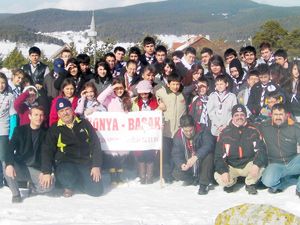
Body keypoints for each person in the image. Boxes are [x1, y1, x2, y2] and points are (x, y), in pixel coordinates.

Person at [40, 98, 104, 197]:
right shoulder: (54, 128)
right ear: (58, 114)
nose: (65, 113)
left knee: (97, 191)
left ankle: (79, 183)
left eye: (67, 109)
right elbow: (47, 150)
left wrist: (96, 165)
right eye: (61, 111)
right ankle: (68, 185)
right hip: (66, 163)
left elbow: (95, 144)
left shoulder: (84, 123)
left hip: (84, 162)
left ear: (72, 109)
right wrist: (46, 171)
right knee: (67, 174)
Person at [5, 106, 54, 203]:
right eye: (36, 115)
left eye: (41, 115)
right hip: (21, 167)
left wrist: (46, 172)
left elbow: (47, 154)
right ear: (30, 116)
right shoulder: (19, 130)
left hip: (36, 169)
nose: (39, 118)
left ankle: (33, 187)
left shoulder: (46, 133)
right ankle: (16, 194)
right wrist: (9, 164)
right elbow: (9, 149)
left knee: (50, 186)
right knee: (5, 164)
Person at [214, 104, 266, 195]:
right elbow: (218, 156)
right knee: (219, 176)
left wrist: (256, 165)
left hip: (248, 164)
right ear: (232, 117)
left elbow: (261, 150)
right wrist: (223, 171)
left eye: (242, 114)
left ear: (245, 116)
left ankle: (250, 183)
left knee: (261, 167)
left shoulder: (253, 130)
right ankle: (231, 183)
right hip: (232, 166)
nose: (239, 117)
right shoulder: (224, 133)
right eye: (236, 115)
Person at [260, 103, 300, 197]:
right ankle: (280, 183)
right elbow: (248, 126)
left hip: (292, 161)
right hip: (275, 164)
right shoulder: (265, 126)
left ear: (286, 115)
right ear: (271, 115)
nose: (278, 117)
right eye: (275, 114)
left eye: (281, 114)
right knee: (267, 181)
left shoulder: (294, 127)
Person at [97, 77, 132, 185]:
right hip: (112, 131)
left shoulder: (128, 97)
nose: (119, 91)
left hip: (124, 130)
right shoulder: (109, 99)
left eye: (121, 88)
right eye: (117, 89)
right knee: (113, 155)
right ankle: (113, 178)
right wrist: (111, 88)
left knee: (122, 155)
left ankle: (119, 176)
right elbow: (99, 99)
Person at [171, 115, 215, 195]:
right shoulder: (178, 136)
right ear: (182, 128)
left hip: (201, 163)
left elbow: (209, 145)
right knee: (176, 173)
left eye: (191, 130)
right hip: (189, 164)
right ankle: (193, 179)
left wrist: (196, 156)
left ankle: (203, 184)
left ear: (194, 126)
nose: (188, 133)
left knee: (209, 156)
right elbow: (176, 153)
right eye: (186, 131)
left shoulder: (203, 130)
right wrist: (181, 164)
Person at [155, 73, 186, 183]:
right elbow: (155, 90)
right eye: (173, 84)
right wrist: (159, 106)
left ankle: (176, 173)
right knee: (166, 154)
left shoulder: (182, 94)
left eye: (177, 84)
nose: (175, 87)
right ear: (168, 84)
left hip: (178, 131)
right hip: (166, 131)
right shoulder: (162, 93)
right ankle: (166, 175)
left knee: (177, 154)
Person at [131, 80, 159, 184]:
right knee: (140, 153)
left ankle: (150, 176)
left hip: (151, 132)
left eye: (146, 93)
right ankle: (142, 175)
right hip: (139, 131)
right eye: (141, 93)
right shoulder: (134, 102)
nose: (144, 95)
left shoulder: (154, 102)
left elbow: (159, 114)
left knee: (150, 153)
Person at [0, 72, 17, 188]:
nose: (1, 85)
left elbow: (13, 117)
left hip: (4, 131)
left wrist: (12, 133)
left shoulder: (10, 96)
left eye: (3, 83)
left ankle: (7, 180)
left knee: (3, 157)